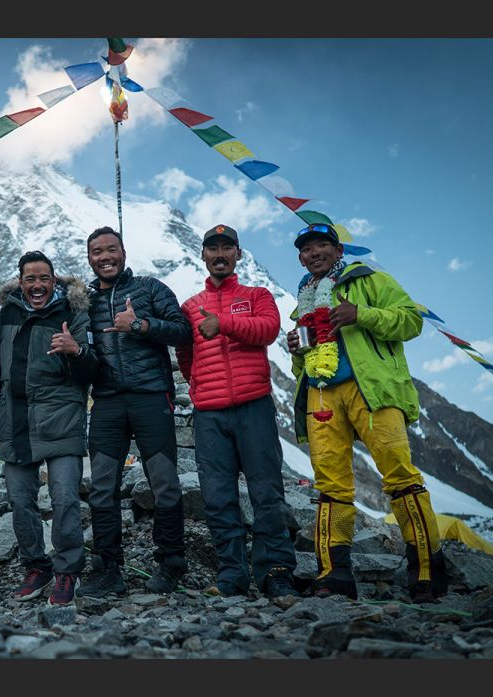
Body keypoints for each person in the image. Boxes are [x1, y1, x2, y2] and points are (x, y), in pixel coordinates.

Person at [287, 222, 448, 603]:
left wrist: (362, 314)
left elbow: (411, 320)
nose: (315, 253)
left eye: (323, 245)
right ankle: (333, 574)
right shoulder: (303, 301)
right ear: (300, 257)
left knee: (398, 473)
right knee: (329, 483)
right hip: (323, 395)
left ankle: (426, 569)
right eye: (307, 249)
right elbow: (305, 365)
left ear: (339, 250)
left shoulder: (369, 280)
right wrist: (296, 350)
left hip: (372, 391)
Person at [175, 224, 299, 600]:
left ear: (238, 255)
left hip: (254, 406)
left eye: (226, 247)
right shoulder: (189, 306)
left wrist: (224, 323)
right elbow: (185, 356)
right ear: (203, 257)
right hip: (210, 414)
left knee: (267, 493)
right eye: (212, 248)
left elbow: (267, 329)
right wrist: (200, 383)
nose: (219, 254)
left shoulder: (257, 295)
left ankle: (275, 572)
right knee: (217, 497)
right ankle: (232, 576)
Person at [77, 226, 192, 598]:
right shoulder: (86, 301)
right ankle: (108, 569)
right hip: (107, 401)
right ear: (89, 258)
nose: (105, 257)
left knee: (164, 483)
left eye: (111, 249)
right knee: (101, 487)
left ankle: (171, 564)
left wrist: (140, 325)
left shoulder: (150, 288)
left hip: (150, 396)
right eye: (97, 252)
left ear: (124, 252)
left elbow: (182, 331)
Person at [0, 250, 98, 606]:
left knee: (66, 499)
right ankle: (36, 567)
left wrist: (76, 351)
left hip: (62, 421)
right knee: (20, 502)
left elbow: (94, 370)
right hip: (16, 423)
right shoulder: (6, 315)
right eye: (30, 279)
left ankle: (67, 570)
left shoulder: (73, 313)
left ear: (55, 281)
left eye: (44, 279)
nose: (37, 286)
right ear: (20, 282)